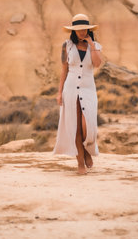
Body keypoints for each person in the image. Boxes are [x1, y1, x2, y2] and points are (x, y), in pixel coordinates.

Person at [53, 13, 102, 175]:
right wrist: (59, 93)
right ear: (73, 31)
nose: (81, 32)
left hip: (89, 90)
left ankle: (87, 150)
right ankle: (80, 162)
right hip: (70, 89)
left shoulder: (95, 45)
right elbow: (64, 70)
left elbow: (97, 64)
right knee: (75, 128)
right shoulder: (66, 45)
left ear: (88, 29)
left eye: (84, 29)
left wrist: (91, 44)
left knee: (86, 126)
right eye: (78, 30)